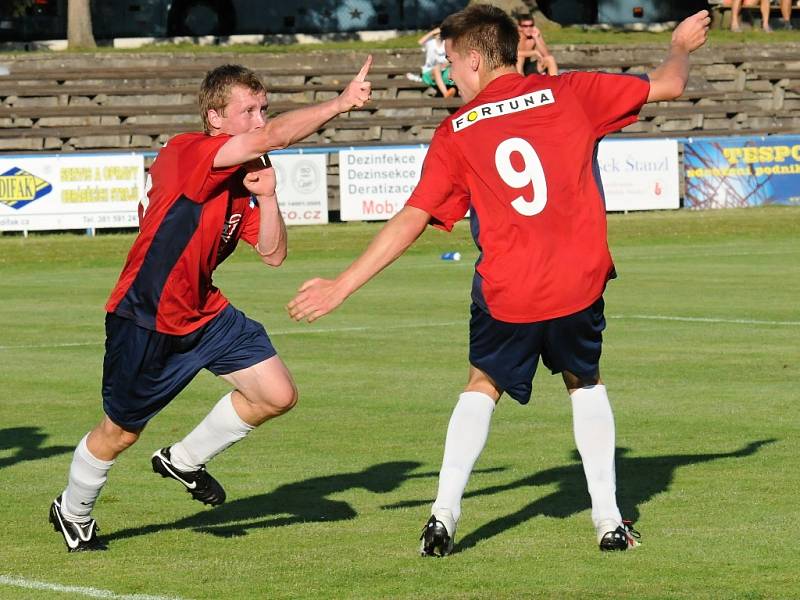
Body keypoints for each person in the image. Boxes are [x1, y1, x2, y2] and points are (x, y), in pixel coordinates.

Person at [287, 4, 709, 556]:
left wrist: (341, 286)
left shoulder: (457, 131)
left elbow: (412, 217)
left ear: (477, 58)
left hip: (508, 291)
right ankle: (608, 520)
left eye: (453, 63)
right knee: (585, 382)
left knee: (482, 386)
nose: (452, 75)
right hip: (576, 284)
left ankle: (443, 514)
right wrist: (678, 45)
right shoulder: (570, 92)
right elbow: (671, 85)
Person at [49, 58, 373, 553]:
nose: (260, 120)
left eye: (265, 109)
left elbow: (273, 254)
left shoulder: (244, 173)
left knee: (276, 394)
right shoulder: (189, 151)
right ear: (216, 117)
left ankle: (184, 459)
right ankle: (73, 511)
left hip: (204, 311)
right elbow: (272, 140)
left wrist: (268, 199)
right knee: (118, 433)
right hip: (148, 314)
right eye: (249, 110)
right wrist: (342, 103)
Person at [417, 26, 457, 98]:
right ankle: (446, 93)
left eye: (440, 33)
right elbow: (420, 42)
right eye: (437, 33)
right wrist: (432, 32)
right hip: (430, 72)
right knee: (436, 68)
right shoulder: (430, 43)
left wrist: (446, 64)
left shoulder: (446, 43)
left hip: (444, 70)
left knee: (455, 69)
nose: (439, 35)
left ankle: (461, 91)